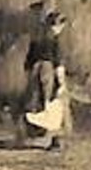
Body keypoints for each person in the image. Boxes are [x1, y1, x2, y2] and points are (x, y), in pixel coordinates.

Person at [23, 11, 70, 149]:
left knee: (35, 103)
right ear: (56, 26)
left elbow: (27, 64)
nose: (61, 29)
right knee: (56, 104)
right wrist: (61, 83)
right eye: (60, 26)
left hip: (35, 74)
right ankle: (55, 139)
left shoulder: (36, 40)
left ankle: (31, 134)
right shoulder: (55, 42)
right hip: (48, 72)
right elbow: (58, 63)